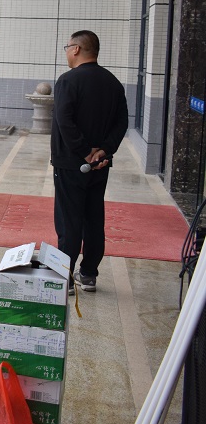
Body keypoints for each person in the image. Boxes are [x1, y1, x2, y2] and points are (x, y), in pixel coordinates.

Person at [52, 30, 128, 294]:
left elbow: (64, 120)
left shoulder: (68, 80)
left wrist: (85, 152)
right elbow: (121, 123)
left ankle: (65, 275)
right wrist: (104, 151)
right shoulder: (113, 83)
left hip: (71, 163)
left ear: (75, 49)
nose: (66, 52)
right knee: (94, 217)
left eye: (67, 47)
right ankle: (89, 274)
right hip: (100, 165)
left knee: (69, 220)